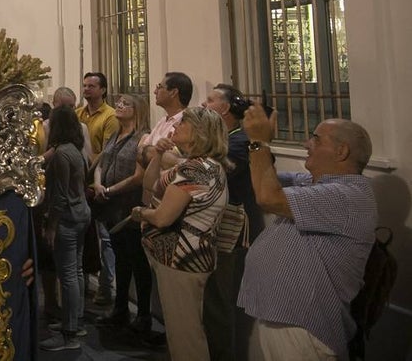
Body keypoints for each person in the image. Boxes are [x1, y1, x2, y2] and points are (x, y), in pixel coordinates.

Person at [238, 106, 376, 361]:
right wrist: (256, 143)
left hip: (306, 329)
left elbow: (268, 197)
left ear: (341, 151)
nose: (306, 143)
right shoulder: (315, 182)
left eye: (316, 138)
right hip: (285, 318)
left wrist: (259, 141)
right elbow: (263, 181)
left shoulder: (347, 197)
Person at [131, 106, 229, 360]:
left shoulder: (196, 169)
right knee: (184, 330)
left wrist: (142, 213)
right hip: (183, 258)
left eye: (182, 123)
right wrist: (158, 154)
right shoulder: (196, 164)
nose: (175, 127)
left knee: (185, 336)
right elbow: (150, 185)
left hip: (182, 260)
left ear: (199, 132)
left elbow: (163, 217)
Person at [202, 84, 263, 361]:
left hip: (233, 230)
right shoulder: (225, 138)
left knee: (220, 301)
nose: (204, 104)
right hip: (217, 227)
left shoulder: (239, 142)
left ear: (224, 108)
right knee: (213, 301)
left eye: (210, 100)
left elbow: (209, 173)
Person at [92, 93, 153, 336]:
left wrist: (110, 189)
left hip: (130, 206)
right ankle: (120, 308)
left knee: (137, 261)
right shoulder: (115, 135)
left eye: (125, 104)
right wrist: (98, 184)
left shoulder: (143, 138)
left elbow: (139, 177)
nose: (119, 105)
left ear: (137, 110)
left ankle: (144, 314)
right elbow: (101, 163)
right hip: (111, 208)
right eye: (118, 102)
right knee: (121, 259)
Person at [41, 106, 91, 352]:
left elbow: (60, 196)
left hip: (68, 218)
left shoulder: (62, 154)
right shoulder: (75, 150)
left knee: (68, 275)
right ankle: (76, 320)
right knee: (77, 272)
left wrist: (51, 227)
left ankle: (69, 333)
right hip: (81, 213)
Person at [78, 72, 118, 306]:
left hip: (99, 180)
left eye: (92, 86)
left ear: (103, 90)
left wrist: (89, 170)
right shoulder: (79, 113)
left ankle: (106, 287)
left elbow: (106, 151)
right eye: (85, 85)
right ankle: (83, 285)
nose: (87, 89)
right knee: (87, 237)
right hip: (82, 182)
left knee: (105, 238)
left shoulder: (110, 116)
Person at [140, 71, 192, 205]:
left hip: (171, 196)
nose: (154, 91)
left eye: (159, 87)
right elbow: (141, 153)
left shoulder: (187, 122)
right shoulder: (163, 120)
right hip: (152, 195)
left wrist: (153, 152)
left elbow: (176, 162)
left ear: (173, 92)